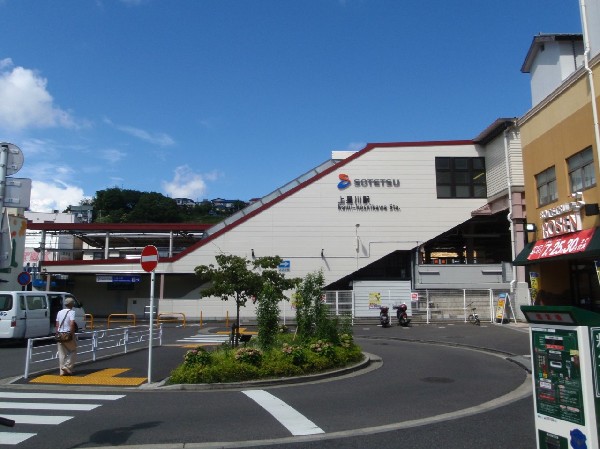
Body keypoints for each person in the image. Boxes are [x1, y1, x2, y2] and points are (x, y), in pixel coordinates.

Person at [55, 297, 77, 376]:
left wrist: (57, 333)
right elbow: (72, 323)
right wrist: (72, 333)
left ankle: (62, 371)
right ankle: (67, 366)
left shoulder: (59, 312)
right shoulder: (71, 312)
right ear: (72, 304)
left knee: (62, 354)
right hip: (67, 334)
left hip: (60, 334)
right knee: (73, 350)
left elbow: (57, 324)